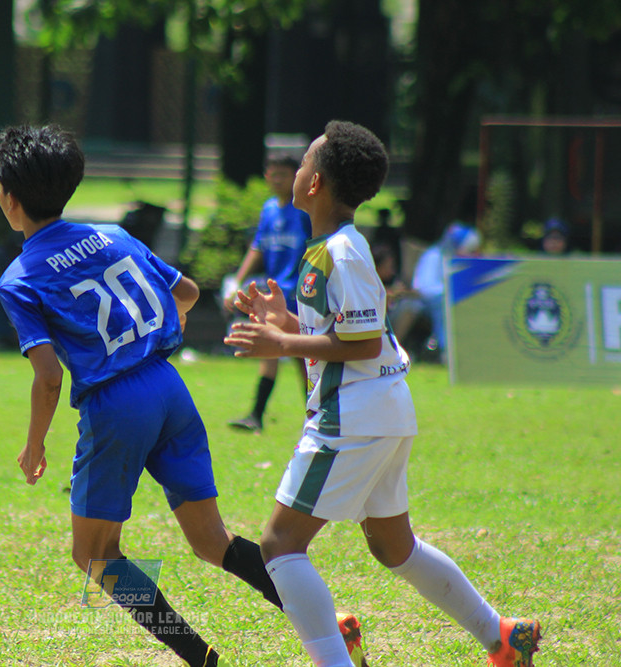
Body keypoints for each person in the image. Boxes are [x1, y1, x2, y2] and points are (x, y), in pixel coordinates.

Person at [0, 124, 366, 667]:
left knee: (95, 556)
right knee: (211, 540)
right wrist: (162, 327)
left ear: (9, 197)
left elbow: (48, 376)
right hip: (170, 390)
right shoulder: (114, 236)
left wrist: (34, 445)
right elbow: (186, 293)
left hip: (115, 404)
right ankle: (325, 622)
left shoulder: (19, 277)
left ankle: (200, 658)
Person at [224, 120, 541, 667]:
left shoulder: (341, 251)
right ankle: (501, 637)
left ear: (316, 183)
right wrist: (284, 320)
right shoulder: (329, 248)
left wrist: (280, 339)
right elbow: (343, 330)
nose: (295, 171)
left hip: (355, 416)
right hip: (382, 410)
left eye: (302, 163)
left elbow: (364, 341)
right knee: (394, 547)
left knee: (278, 545)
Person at [223, 153, 312, 434]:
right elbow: (257, 246)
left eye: (282, 175)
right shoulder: (269, 208)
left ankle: (315, 415)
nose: (276, 180)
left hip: (300, 293)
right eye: (271, 174)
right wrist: (237, 279)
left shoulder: (304, 210)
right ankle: (257, 415)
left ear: (295, 176)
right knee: (270, 350)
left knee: (302, 357)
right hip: (275, 295)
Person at [411, 221, 480, 358]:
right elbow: (425, 287)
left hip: (448, 297)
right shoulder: (434, 255)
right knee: (444, 304)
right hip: (428, 301)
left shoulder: (454, 258)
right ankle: (446, 350)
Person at [370, 241, 431, 359]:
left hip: (383, 326)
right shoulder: (368, 282)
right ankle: (391, 349)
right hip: (372, 328)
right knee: (411, 307)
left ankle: (394, 348)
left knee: (414, 305)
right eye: (388, 266)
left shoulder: (391, 281)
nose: (392, 270)